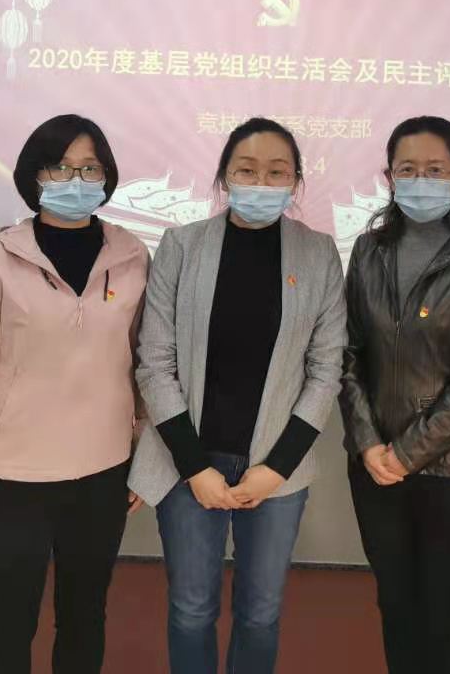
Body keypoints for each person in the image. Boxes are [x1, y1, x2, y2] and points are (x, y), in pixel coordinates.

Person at [0, 115, 149, 674]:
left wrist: (145, 459)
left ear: (107, 176)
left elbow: (146, 366)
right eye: (60, 167)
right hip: (12, 478)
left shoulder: (131, 257)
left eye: (90, 168)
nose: (76, 179)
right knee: (10, 620)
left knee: (85, 616)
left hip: (103, 472)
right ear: (34, 175)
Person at [129, 117, 347, 674]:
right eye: (246, 170)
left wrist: (276, 469)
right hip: (188, 465)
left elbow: (326, 370)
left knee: (260, 614)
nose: (261, 182)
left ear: (296, 181)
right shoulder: (182, 246)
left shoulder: (318, 253)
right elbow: (155, 364)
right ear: (224, 176)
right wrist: (194, 466)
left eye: (277, 172)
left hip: (276, 471)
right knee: (191, 611)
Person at [339, 116, 450, 674]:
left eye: (435, 170)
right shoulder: (367, 251)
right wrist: (369, 444)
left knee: (442, 611)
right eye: (407, 169)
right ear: (389, 177)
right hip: (375, 468)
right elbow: (348, 354)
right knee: (395, 606)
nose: (421, 180)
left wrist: (407, 453)